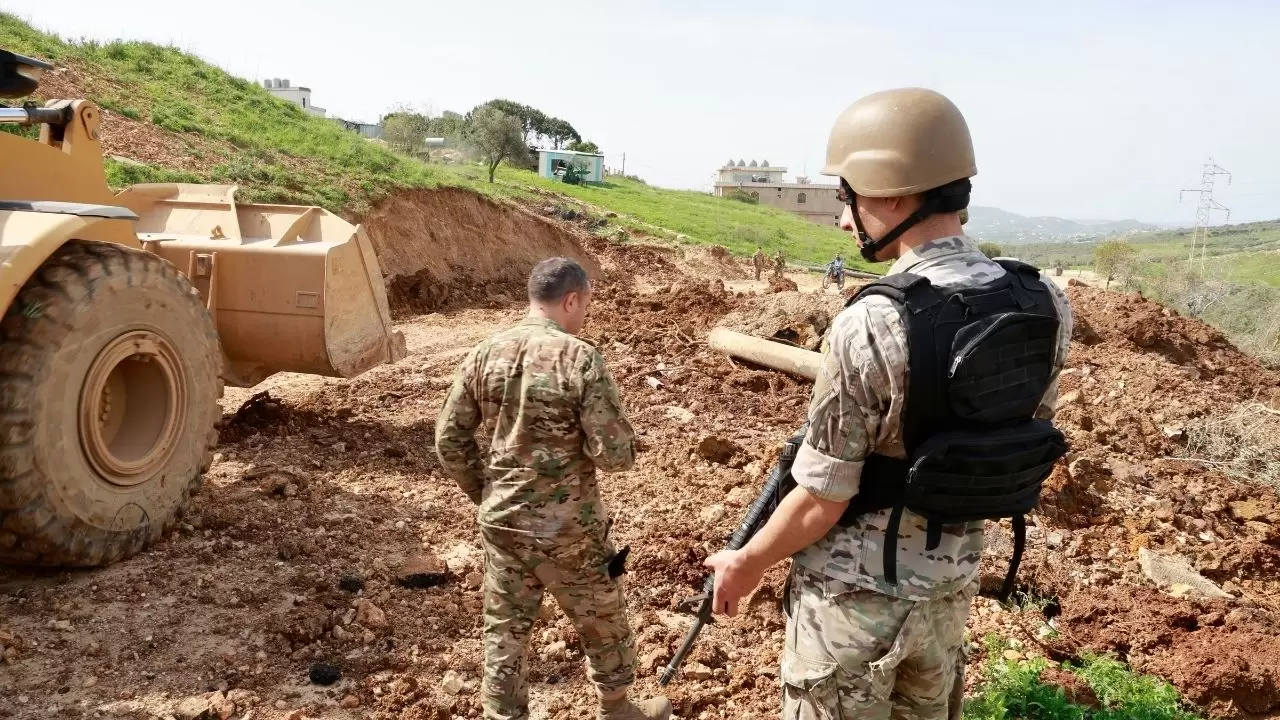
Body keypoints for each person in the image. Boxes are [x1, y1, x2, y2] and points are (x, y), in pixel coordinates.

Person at [702, 88, 1073, 719]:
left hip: (852, 608)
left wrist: (747, 562)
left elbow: (823, 498)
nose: (845, 218)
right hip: (951, 595)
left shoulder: (873, 322)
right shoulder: (1044, 303)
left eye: (850, 197)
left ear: (896, 194)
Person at [435, 257, 671, 720]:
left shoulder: (483, 353)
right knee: (602, 619)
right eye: (585, 305)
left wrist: (485, 491)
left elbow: (449, 439)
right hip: (569, 529)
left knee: (505, 630)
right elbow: (614, 455)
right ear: (571, 299)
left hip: (503, 523)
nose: (584, 314)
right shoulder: (579, 357)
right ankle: (618, 708)